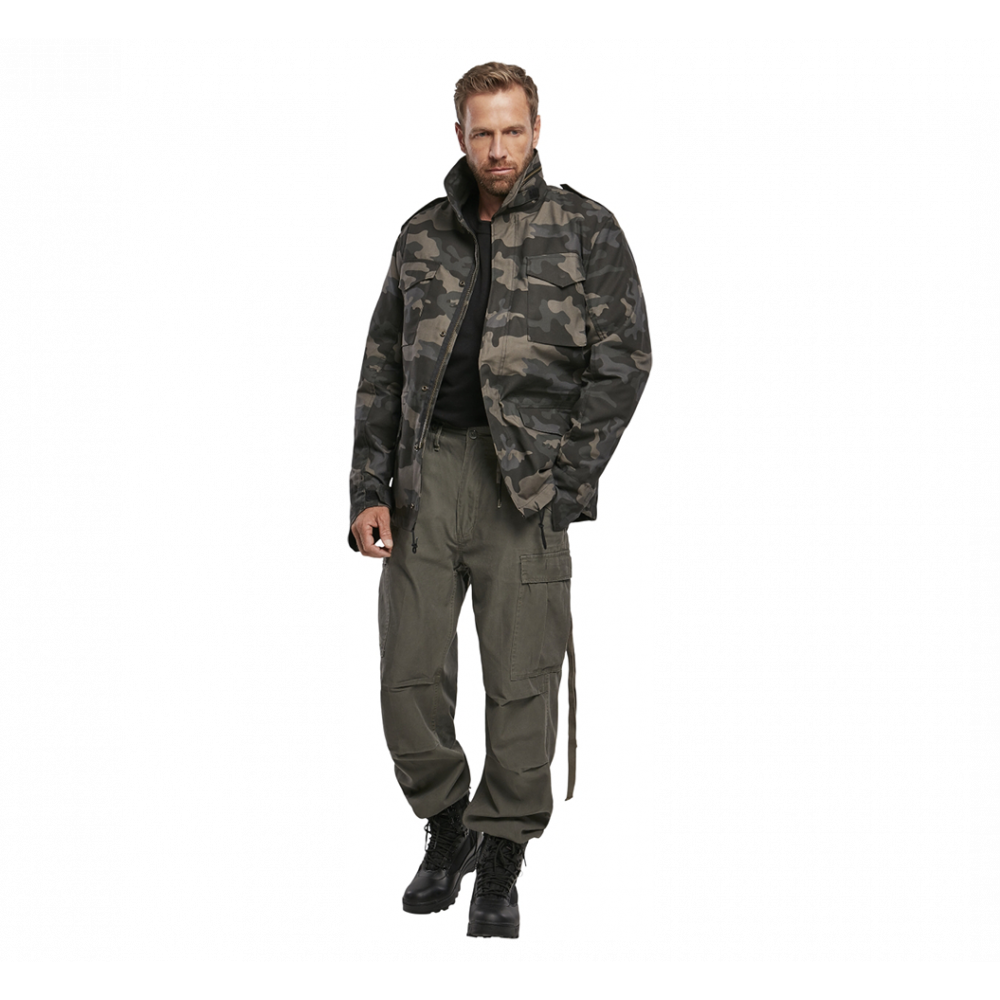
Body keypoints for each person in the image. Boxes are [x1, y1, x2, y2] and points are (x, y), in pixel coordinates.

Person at [348, 61, 652, 940]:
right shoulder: (419, 234)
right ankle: (449, 824)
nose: (498, 148)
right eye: (482, 132)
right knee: (408, 672)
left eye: (512, 129)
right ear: (460, 136)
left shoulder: (585, 229)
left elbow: (626, 359)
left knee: (522, 679)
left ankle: (505, 846)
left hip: (524, 486)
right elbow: (380, 366)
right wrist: (369, 489)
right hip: (424, 479)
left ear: (536, 129)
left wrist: (567, 479)